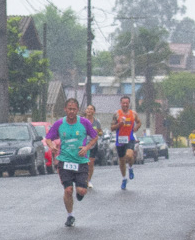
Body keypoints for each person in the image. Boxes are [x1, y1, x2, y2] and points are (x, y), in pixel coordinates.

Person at [46, 98, 98, 227]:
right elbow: (48, 138)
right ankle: (70, 216)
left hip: (81, 161)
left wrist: (86, 148)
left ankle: (80, 193)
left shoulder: (84, 123)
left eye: (74, 109)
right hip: (65, 161)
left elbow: (95, 136)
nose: (71, 111)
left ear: (77, 110)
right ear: (65, 109)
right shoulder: (59, 124)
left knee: (81, 191)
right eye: (69, 109)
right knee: (68, 190)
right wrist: (51, 146)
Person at [110, 95, 142, 191]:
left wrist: (136, 127)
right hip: (120, 140)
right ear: (120, 103)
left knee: (129, 155)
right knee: (122, 161)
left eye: (126, 103)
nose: (125, 105)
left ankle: (131, 167)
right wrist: (119, 124)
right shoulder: (117, 114)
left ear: (129, 104)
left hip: (130, 138)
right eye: (123, 103)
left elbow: (139, 122)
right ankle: (124, 179)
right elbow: (112, 128)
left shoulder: (133, 114)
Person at [83, 104, 103, 188]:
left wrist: (97, 132)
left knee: (90, 163)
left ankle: (89, 180)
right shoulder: (82, 121)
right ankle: (83, 179)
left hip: (93, 144)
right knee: (84, 163)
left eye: (91, 109)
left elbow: (101, 132)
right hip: (83, 145)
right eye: (88, 109)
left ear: (94, 112)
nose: (89, 110)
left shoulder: (96, 122)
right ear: (85, 111)